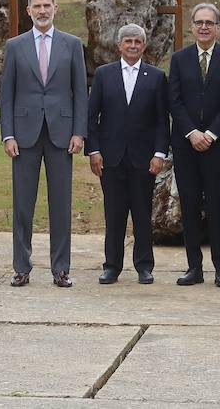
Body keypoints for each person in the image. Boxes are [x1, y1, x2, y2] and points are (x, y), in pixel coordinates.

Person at [0, 0, 87, 288]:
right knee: (23, 204)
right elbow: (7, 94)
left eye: (47, 5)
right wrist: (7, 134)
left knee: (60, 203)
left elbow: (80, 93)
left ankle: (60, 268)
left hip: (61, 134)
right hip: (23, 135)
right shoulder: (14, 46)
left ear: (55, 7)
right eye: (36, 6)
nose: (42, 11)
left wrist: (79, 131)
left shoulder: (72, 44)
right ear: (28, 10)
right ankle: (21, 267)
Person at [86, 24, 169, 285]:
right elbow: (92, 116)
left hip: (144, 159)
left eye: (138, 42)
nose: (133, 46)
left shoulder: (155, 76)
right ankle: (112, 265)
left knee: (142, 214)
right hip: (110, 158)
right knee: (114, 213)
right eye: (128, 41)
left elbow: (161, 120)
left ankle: (144, 265)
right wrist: (94, 150)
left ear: (144, 46)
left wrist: (159, 154)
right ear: (119, 45)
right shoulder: (103, 74)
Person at [168, 2, 220, 288]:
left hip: (215, 143)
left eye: (209, 23)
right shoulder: (179, 59)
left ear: (217, 28)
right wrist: (191, 132)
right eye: (199, 22)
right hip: (186, 144)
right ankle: (193, 267)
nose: (203, 27)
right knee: (188, 204)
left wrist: (210, 134)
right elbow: (173, 100)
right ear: (192, 27)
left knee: (215, 204)